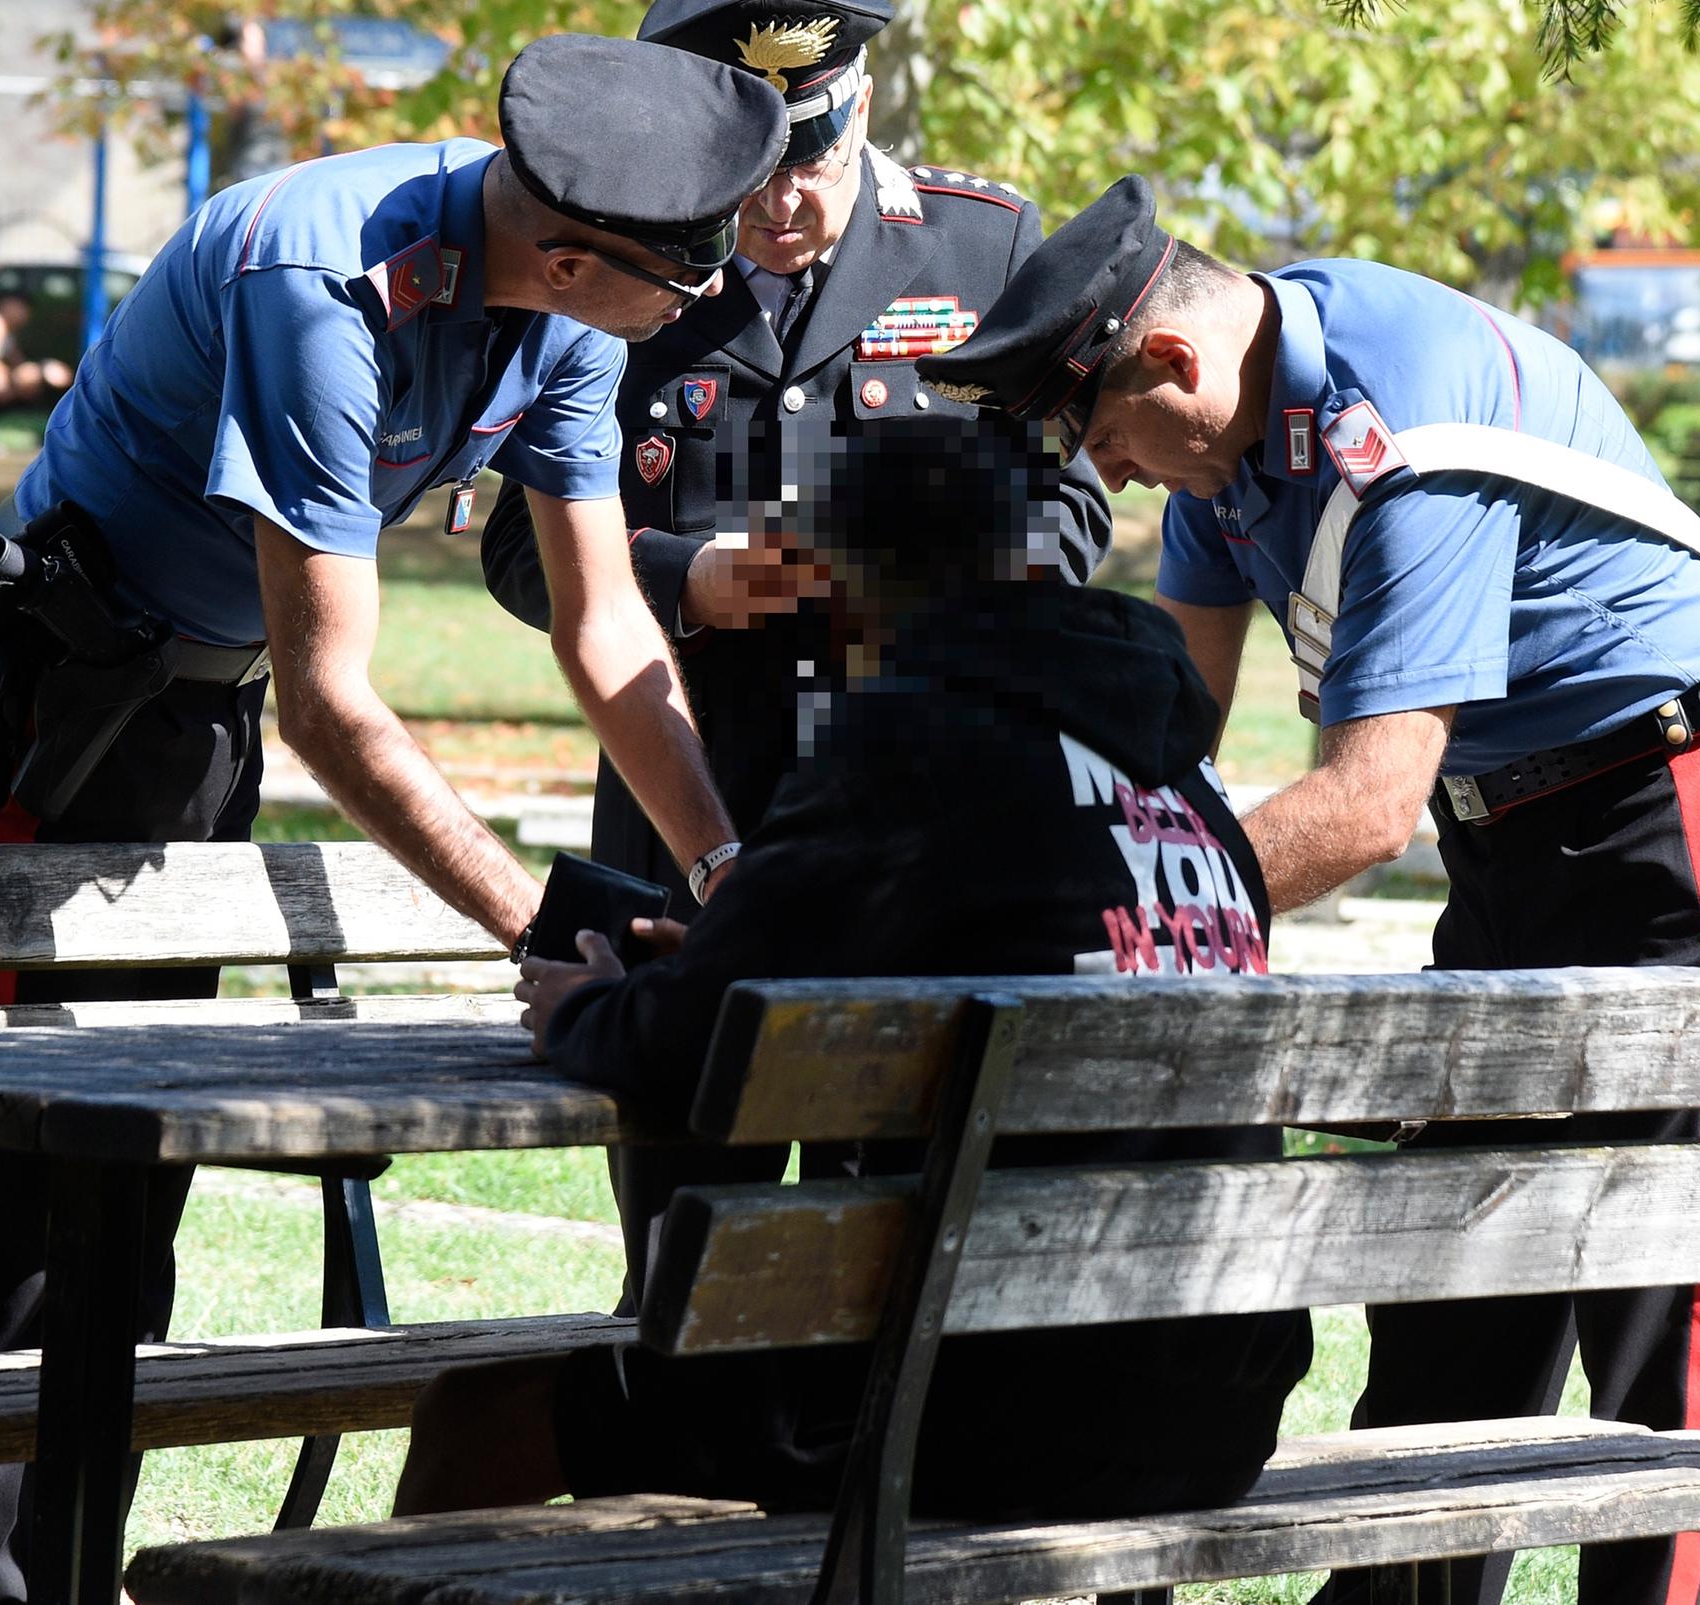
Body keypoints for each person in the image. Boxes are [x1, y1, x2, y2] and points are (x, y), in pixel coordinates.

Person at [0, 33, 786, 1601]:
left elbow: (606, 635)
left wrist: (725, 872)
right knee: (13, 1212)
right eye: (685, 283)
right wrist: (541, 924)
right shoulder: (320, 286)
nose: (702, 310)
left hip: (191, 711)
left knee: (128, 1208)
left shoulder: (561, 316)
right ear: (575, 252)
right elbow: (334, 702)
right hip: (59, 703)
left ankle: (65, 1573)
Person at [915, 177, 1700, 1605]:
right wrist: (1057, 855)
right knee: (1456, 1287)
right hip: (1513, 827)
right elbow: (1166, 748)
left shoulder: (1394, 419)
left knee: (1667, 1280)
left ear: (1171, 360)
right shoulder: (1230, 441)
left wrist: (1099, 932)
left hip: (1680, 802)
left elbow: (1361, 809)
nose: (1120, 479)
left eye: (1108, 440)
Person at [398, 421, 1309, 1523]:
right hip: (1218, 1389)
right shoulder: (1178, 763)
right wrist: (754, 966)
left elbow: (689, 1053)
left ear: (827, 582)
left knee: (475, 1418)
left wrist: (589, 1002)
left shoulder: (914, 732)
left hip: (993, 1387)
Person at [479, 0, 1113, 1299]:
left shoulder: (980, 249)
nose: (781, 202)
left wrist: (922, 588)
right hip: (691, 794)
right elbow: (515, 557)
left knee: (879, 1228)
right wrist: (683, 577)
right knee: (680, 1233)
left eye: (810, 153)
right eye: (751, 167)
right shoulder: (628, 260)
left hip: (907, 819)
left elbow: (1074, 510)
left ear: (865, 104)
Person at [0, 290, 75, 442]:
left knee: (39, 380)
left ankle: (54, 433)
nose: (25, 314)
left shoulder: (8, 332)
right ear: (8, 304)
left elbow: (19, 366)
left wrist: (38, 373)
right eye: (22, 308)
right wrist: (30, 377)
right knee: (2, 385)